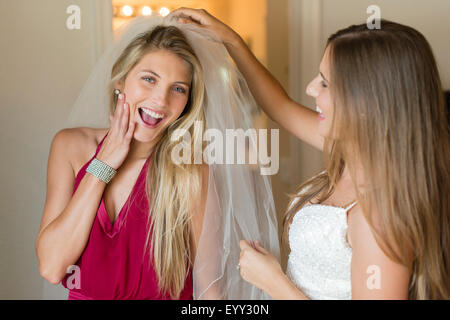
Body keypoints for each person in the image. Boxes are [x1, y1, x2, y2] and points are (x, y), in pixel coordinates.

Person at [170, 8, 450, 299]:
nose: (310, 88)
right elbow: (280, 107)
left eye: (325, 83)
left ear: (368, 102)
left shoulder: (380, 217)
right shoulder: (352, 151)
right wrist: (233, 42)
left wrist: (273, 281)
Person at [35, 16, 279, 300]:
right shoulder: (70, 146)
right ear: (120, 81)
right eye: (149, 79)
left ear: (187, 103)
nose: (160, 100)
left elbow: (209, 290)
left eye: (178, 89)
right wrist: (103, 163)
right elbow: (52, 267)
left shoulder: (191, 171)